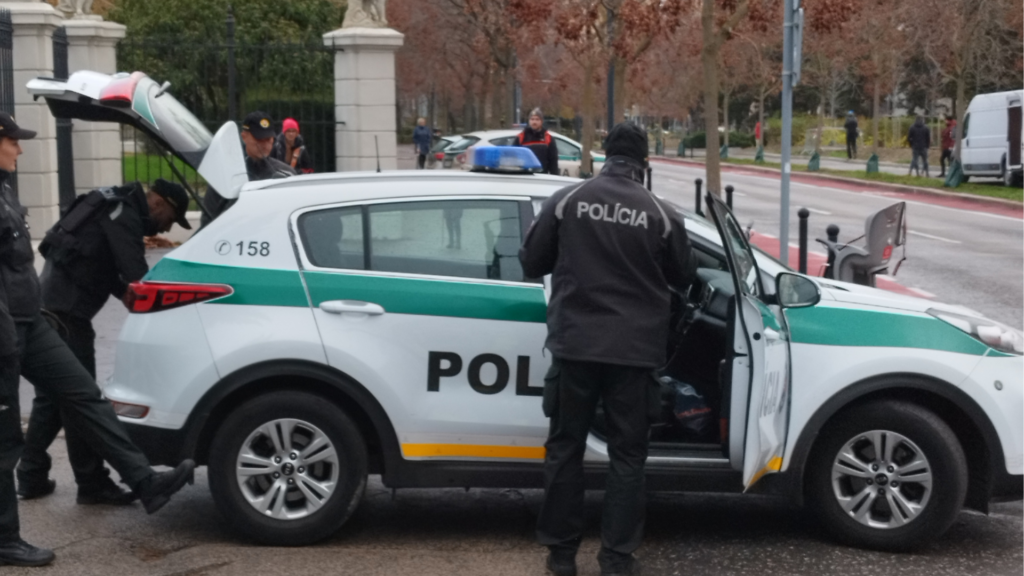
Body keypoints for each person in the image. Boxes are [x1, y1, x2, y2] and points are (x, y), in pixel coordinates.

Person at [0, 112, 195, 567]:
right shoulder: (121, 211)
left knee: (82, 396)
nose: (21, 149)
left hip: (37, 320)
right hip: (16, 328)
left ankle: (145, 484)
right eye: (14, 141)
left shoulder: (7, 191)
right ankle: (7, 533)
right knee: (8, 435)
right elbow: (133, 276)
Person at [520, 122, 697, 576]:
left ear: (604, 155)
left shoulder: (567, 201)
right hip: (634, 355)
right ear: (644, 164)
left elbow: (531, 263)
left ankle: (561, 557)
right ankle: (617, 559)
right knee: (628, 456)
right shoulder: (661, 213)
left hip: (575, 345)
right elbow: (685, 276)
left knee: (564, 448)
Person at [16, 179, 191, 508]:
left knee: (55, 399)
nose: (168, 226)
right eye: (171, 217)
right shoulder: (123, 214)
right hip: (67, 315)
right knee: (83, 401)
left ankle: (32, 474)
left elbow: (94, 261)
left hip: (53, 306)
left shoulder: (110, 202)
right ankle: (93, 482)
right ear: (159, 202)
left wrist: (121, 292)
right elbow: (136, 273)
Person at [201, 111, 297, 226]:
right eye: (259, 139)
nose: (265, 144)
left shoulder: (286, 173)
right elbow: (208, 219)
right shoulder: (226, 174)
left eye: (269, 139)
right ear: (244, 137)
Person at [513, 108, 560, 176]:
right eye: (532, 119)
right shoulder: (521, 137)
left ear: (541, 121)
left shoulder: (548, 138)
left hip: (542, 176)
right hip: (524, 176)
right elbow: (514, 157)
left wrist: (555, 177)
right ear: (529, 121)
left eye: (537, 119)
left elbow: (553, 162)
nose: (534, 122)